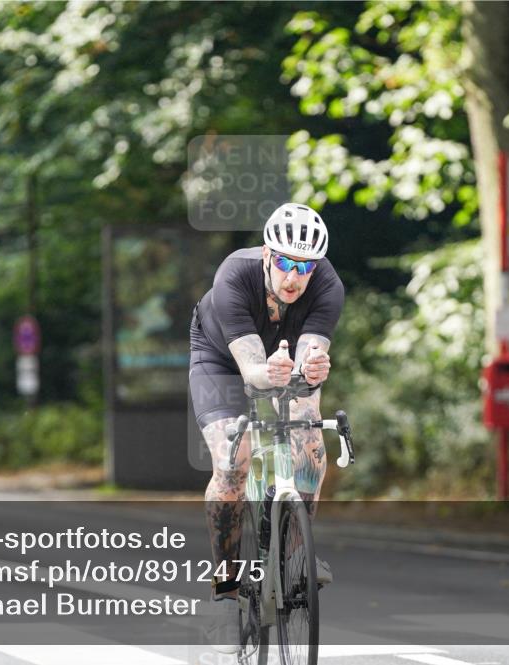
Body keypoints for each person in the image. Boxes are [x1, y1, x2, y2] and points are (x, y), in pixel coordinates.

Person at [189, 203, 344, 652]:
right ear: (265, 255)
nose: (293, 276)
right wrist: (269, 373)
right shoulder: (234, 277)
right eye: (284, 262)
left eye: (305, 266)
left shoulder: (328, 287)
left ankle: (296, 551)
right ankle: (224, 590)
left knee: (310, 437)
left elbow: (312, 355)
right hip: (223, 358)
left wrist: (312, 368)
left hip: (284, 357)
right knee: (232, 460)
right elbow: (253, 372)